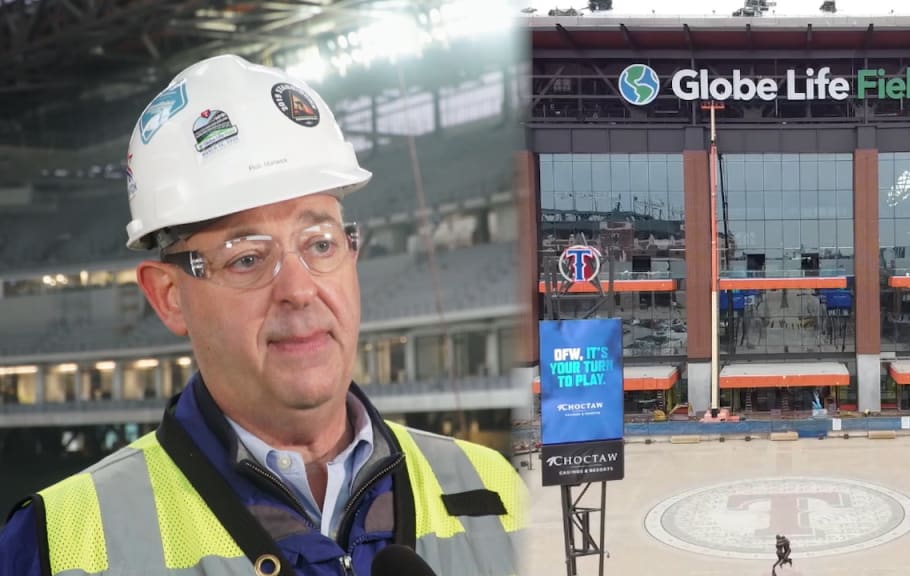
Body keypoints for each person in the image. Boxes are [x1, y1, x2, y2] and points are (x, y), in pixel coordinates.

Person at [0, 54, 525, 576]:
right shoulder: (57, 543)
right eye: (247, 258)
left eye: (320, 244)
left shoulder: (494, 487)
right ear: (168, 297)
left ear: (352, 254)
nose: (299, 290)